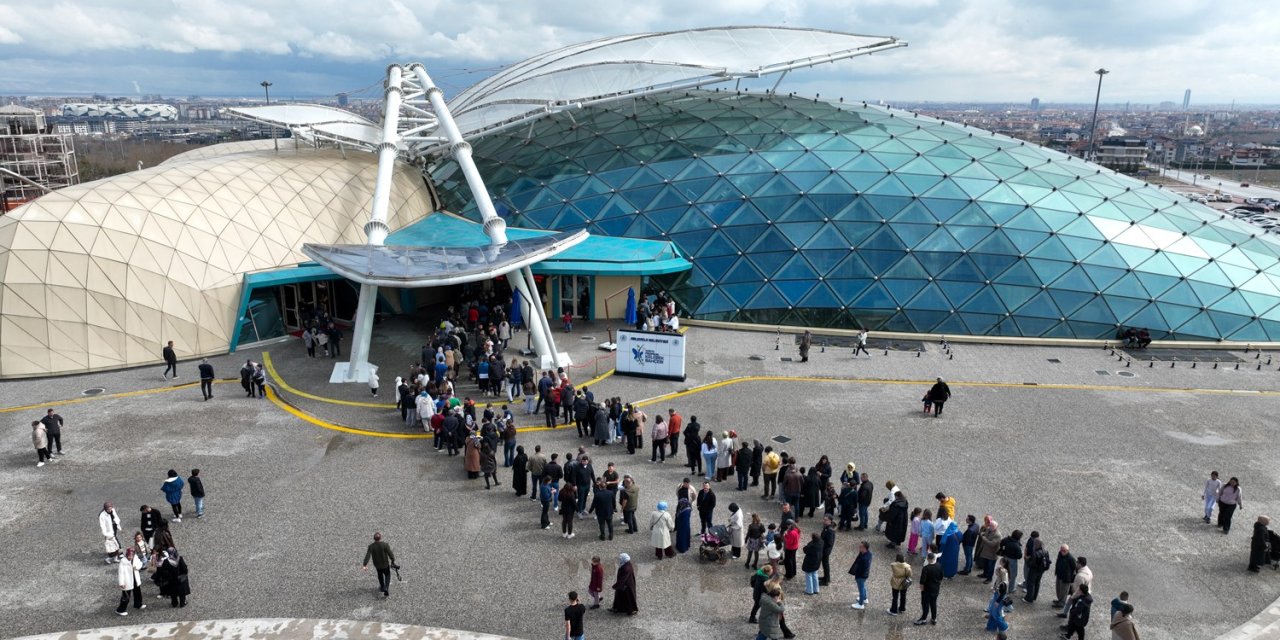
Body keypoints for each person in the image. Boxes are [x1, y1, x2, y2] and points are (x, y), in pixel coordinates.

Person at [361, 532, 396, 597]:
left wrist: (365, 564)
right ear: (380, 538)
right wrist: (392, 560)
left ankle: (382, 586)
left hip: (377, 565)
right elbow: (390, 553)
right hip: (385, 564)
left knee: (380, 575)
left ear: (374, 539)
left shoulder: (371, 546)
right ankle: (386, 588)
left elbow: (367, 556)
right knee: (387, 575)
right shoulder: (385, 545)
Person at [114, 548, 146, 616]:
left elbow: (140, 564)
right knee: (126, 596)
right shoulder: (123, 562)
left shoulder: (135, 558)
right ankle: (120, 609)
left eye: (131, 555)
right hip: (127, 580)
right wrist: (121, 583)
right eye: (129, 556)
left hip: (135, 578)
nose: (130, 557)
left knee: (137, 592)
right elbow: (121, 573)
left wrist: (136, 567)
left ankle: (138, 604)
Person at [914, 552, 943, 626]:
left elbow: (922, 581)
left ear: (928, 559)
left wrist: (922, 589)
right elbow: (941, 577)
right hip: (936, 589)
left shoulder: (926, 568)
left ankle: (923, 619)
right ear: (934, 559)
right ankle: (934, 618)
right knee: (933, 603)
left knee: (925, 604)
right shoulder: (939, 566)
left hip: (927, 590)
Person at [1024, 531, 1050, 603]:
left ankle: (1029, 598)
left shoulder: (1035, 553)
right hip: (1041, 570)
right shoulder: (1045, 551)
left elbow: (1031, 563)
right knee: (1037, 583)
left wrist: (1027, 559)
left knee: (1031, 583)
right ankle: (1034, 596)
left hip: (1034, 570)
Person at [848, 540, 872, 608]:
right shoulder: (868, 554)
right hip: (864, 575)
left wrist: (857, 575)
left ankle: (860, 604)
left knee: (861, 589)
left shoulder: (864, 558)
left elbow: (862, 568)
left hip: (861, 576)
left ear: (865, 548)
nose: (859, 548)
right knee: (864, 587)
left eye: (861, 547)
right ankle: (865, 598)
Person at [820, 516, 837, 585]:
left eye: (826, 520)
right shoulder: (826, 527)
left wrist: (822, 545)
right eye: (824, 519)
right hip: (824, 549)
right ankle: (826, 577)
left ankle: (826, 580)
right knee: (824, 564)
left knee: (825, 564)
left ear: (830, 521)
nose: (824, 521)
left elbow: (829, 543)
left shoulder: (829, 530)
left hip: (826, 550)